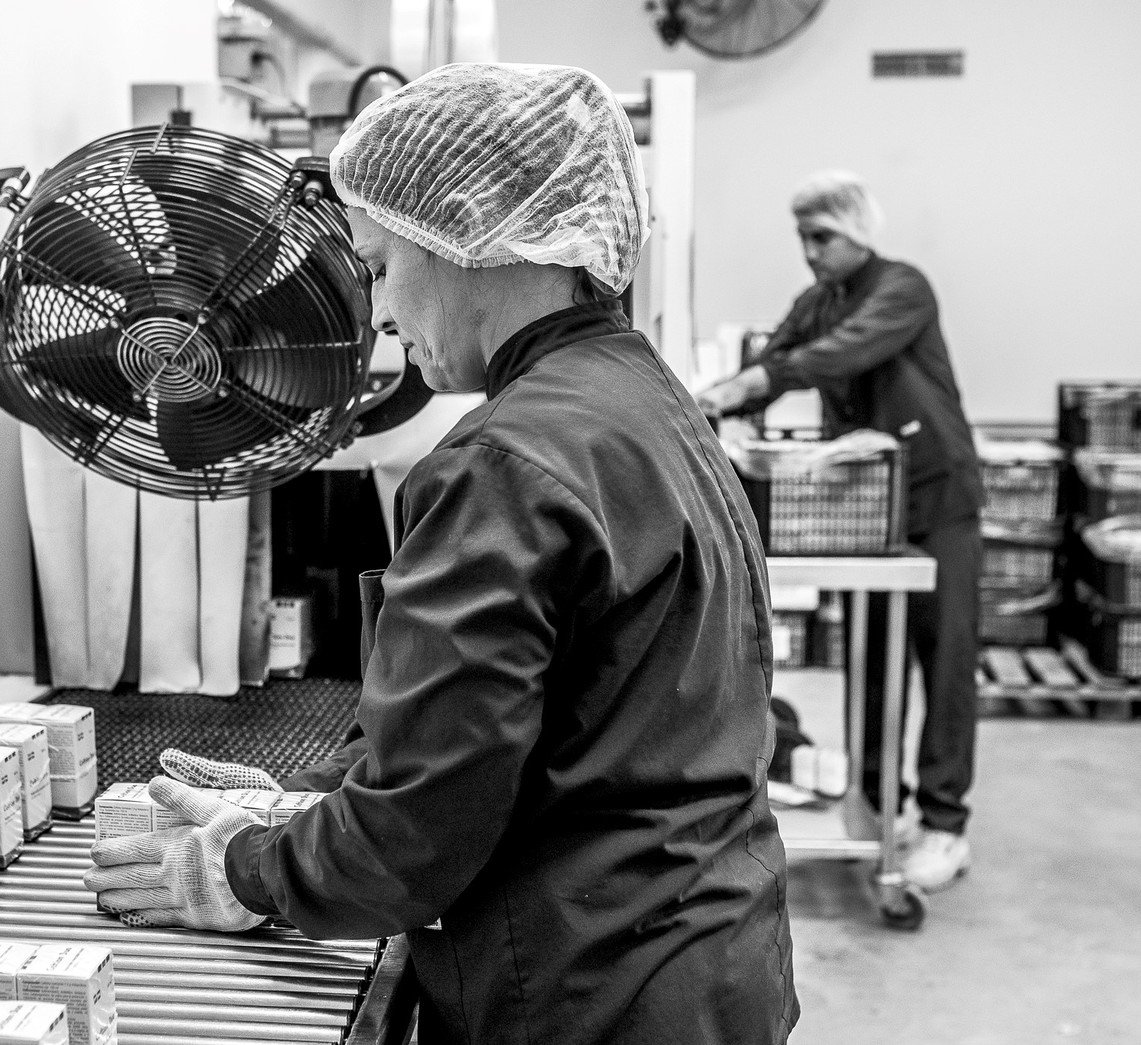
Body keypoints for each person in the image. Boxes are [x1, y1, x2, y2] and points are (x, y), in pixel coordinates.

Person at [86, 63, 799, 1044]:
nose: (375, 314)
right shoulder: (642, 399)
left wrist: (246, 865)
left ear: (466, 233)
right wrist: (315, 802)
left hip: (580, 994)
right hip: (703, 964)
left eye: (379, 267)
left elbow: (410, 843)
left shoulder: (501, 465)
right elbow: (568, 727)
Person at [696, 171, 983, 892]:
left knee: (942, 658)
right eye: (801, 237)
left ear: (856, 232)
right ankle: (885, 804)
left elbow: (841, 351)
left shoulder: (901, 288)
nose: (808, 251)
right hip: (868, 512)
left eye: (820, 237)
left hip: (935, 496)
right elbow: (775, 355)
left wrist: (755, 384)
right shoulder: (817, 301)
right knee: (873, 661)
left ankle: (946, 825)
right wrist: (716, 391)